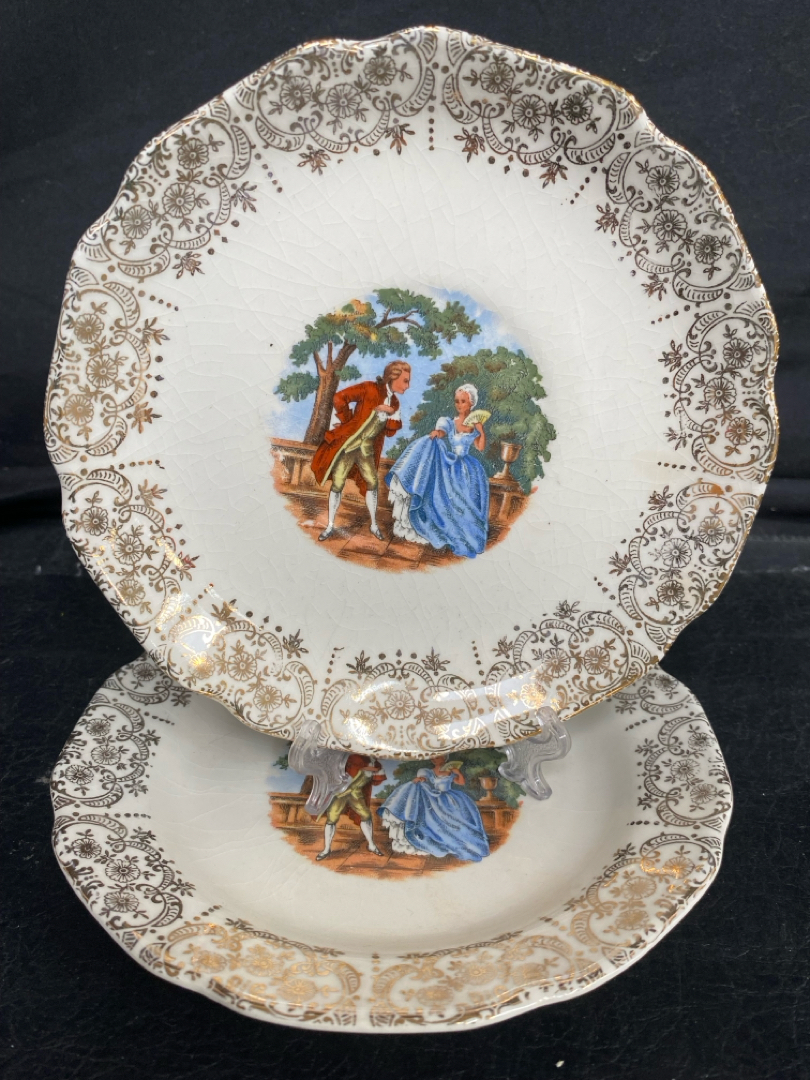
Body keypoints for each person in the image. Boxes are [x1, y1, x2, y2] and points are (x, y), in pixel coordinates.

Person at [385, 383, 489, 558]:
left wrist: (481, 431)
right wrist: (437, 433)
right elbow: (442, 432)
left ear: (471, 403)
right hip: (452, 464)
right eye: (457, 401)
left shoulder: (474, 424)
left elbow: (480, 447)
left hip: (469, 468)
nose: (459, 405)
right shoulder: (451, 422)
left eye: (463, 401)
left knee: (465, 500)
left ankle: (465, 531)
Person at [311, 361, 411, 541]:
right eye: (405, 381)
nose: (408, 386)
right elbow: (339, 398)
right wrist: (349, 422)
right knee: (338, 483)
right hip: (348, 446)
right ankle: (330, 525)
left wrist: (391, 414)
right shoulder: (369, 388)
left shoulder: (395, 402)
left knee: (372, 483)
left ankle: (373, 525)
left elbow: (390, 432)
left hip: (367, 450)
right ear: (393, 377)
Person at [378, 755, 490, 862]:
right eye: (433, 757)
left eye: (437, 757)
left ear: (444, 758)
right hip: (434, 797)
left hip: (449, 798)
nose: (434, 759)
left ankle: (461, 839)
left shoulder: (450, 771)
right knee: (429, 812)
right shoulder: (427, 772)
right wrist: (420, 779)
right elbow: (425, 782)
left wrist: (458, 772)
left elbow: (461, 782)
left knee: (457, 817)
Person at [316, 753, 387, 861]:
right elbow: (350, 767)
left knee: (366, 815)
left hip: (356, 793)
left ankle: (371, 845)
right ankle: (326, 849)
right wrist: (370, 769)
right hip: (341, 791)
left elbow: (376, 780)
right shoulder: (355, 756)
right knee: (332, 817)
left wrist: (376, 770)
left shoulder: (376, 763)